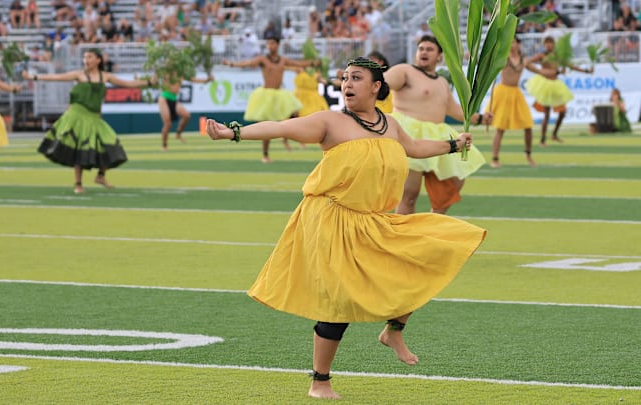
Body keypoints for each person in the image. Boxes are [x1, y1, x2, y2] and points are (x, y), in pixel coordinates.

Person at [205, 57, 486, 400]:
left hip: (373, 220)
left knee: (427, 252)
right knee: (340, 301)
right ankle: (319, 381)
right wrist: (232, 132)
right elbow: (280, 127)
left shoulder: (391, 124)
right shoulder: (331, 122)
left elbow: (414, 149)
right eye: (344, 78)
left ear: (376, 87)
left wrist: (454, 144)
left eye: (356, 78)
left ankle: (393, 331)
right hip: (331, 219)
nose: (347, 84)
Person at [22, 49, 155, 194]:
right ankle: (78, 184)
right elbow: (56, 77)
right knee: (80, 149)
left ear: (98, 60)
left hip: (94, 117)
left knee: (110, 144)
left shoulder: (105, 76)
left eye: (90, 57)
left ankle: (101, 176)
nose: (86, 60)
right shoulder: (79, 75)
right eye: (85, 57)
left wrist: (149, 82)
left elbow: (128, 84)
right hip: (77, 116)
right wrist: (32, 77)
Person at [384, 35, 489, 215]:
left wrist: (480, 119)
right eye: (421, 49)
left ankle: (432, 223)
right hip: (408, 135)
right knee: (409, 194)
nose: (424, 52)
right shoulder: (404, 71)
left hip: (437, 136)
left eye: (429, 49)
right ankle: (400, 238)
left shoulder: (441, 82)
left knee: (454, 182)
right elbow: (383, 84)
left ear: (439, 56)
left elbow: (454, 110)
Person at [223, 37, 318, 162]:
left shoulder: (282, 60)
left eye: (272, 43)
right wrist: (231, 64)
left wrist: (311, 63)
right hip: (267, 96)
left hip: (279, 94)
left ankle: (288, 139)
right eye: (268, 43)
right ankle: (265, 155)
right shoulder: (263, 59)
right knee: (267, 127)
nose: (270, 45)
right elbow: (249, 63)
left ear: (278, 45)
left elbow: (297, 64)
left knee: (295, 114)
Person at [525, 36, 593, 145]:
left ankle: (554, 134)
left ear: (554, 44)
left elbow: (571, 66)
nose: (549, 45)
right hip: (545, 85)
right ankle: (543, 139)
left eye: (550, 43)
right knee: (546, 114)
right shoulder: (542, 55)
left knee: (563, 112)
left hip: (556, 85)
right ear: (544, 45)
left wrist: (586, 71)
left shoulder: (558, 56)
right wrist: (540, 71)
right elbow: (527, 62)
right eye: (547, 43)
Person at [485, 36, 537, 168]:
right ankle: (495, 158)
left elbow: (540, 71)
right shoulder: (503, 57)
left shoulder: (523, 60)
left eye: (514, 42)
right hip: (503, 93)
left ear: (518, 44)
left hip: (516, 94)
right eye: (510, 42)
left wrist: (556, 72)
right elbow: (487, 61)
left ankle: (528, 154)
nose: (512, 44)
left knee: (528, 125)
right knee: (500, 128)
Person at [158, 72, 214, 150]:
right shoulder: (167, 72)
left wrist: (207, 80)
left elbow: (193, 80)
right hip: (164, 98)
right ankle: (164, 145)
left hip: (174, 99)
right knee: (168, 124)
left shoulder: (181, 73)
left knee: (186, 115)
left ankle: (178, 133)